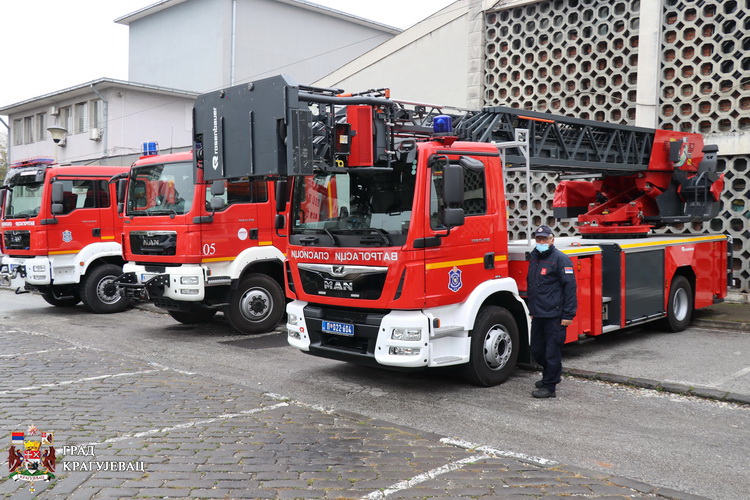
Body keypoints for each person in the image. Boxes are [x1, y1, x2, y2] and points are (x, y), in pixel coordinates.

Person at [527, 225, 577, 398]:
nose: (541, 242)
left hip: (554, 316)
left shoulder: (561, 259)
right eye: (538, 239)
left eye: (544, 239)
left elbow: (570, 288)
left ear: (552, 240)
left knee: (551, 352)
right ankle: (551, 376)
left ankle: (549, 386)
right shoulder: (534, 257)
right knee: (537, 350)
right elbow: (532, 284)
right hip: (538, 314)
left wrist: (568, 314)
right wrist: (532, 309)